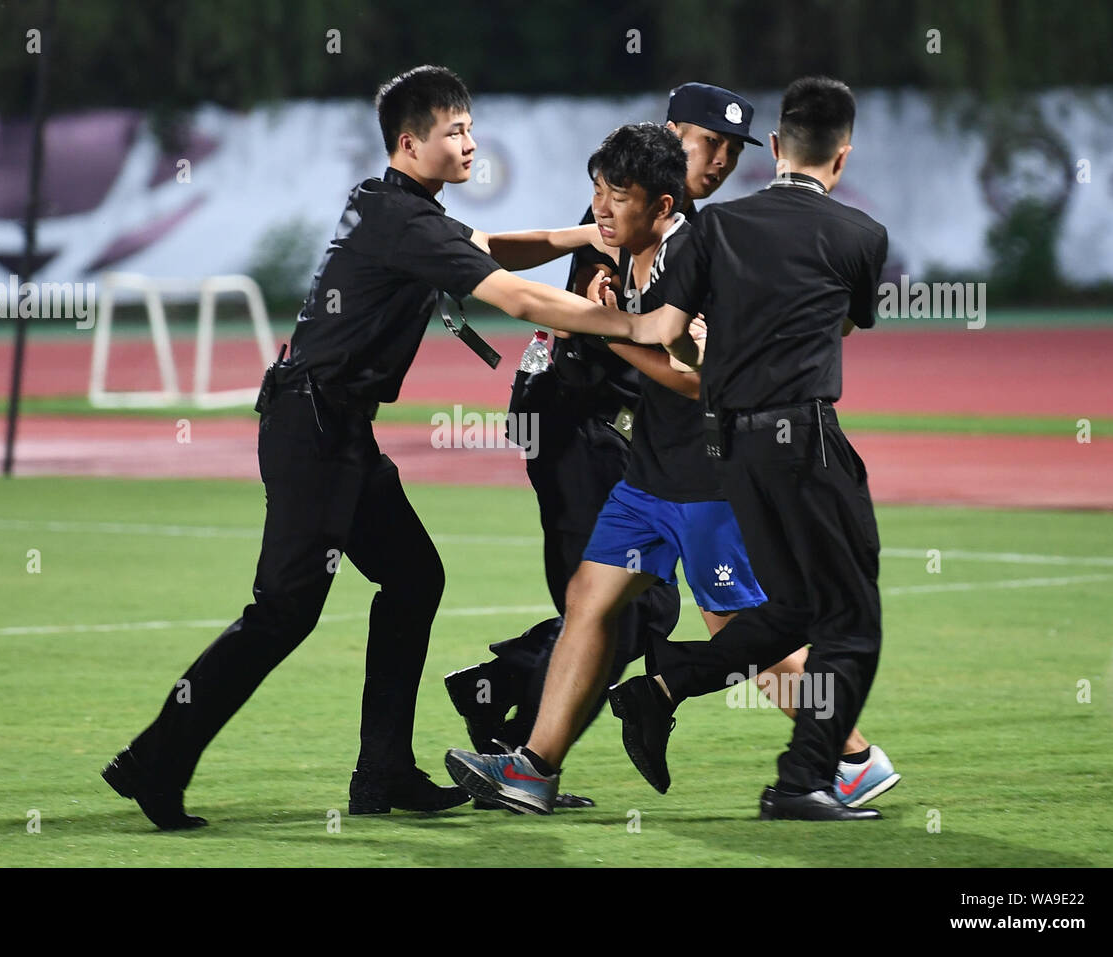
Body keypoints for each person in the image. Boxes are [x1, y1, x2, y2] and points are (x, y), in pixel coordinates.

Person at [100, 64, 664, 830]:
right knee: (283, 612)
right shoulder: (407, 222)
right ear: (410, 142)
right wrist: (637, 325)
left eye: (470, 126)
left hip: (337, 428)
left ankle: (385, 771)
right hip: (314, 428)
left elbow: (492, 243)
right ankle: (154, 761)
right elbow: (519, 294)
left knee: (413, 577)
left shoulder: (397, 207)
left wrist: (579, 235)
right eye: (454, 130)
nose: (470, 141)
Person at [446, 76, 892, 821]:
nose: (715, 162)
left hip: (709, 476)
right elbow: (533, 252)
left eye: (728, 150)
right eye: (708, 143)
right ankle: (532, 769)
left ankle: (850, 755)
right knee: (591, 600)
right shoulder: (620, 227)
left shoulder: (708, 247)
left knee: (741, 629)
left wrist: (607, 328)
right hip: (646, 474)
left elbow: (704, 381)